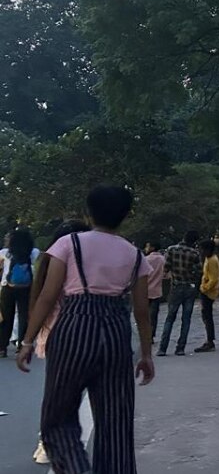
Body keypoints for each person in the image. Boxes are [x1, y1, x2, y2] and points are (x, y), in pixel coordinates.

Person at [17, 185, 155, 474]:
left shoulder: (69, 244)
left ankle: (75, 468)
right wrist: (146, 354)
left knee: (58, 417)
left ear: (88, 212)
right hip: (116, 330)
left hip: (75, 326)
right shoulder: (135, 254)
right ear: (125, 216)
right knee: (116, 423)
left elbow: (48, 295)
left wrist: (28, 341)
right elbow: (142, 312)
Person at [29, 220, 92, 468]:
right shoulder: (84, 265)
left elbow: (42, 301)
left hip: (56, 333)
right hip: (81, 333)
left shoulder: (48, 262)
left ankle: (49, 442)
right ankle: (50, 442)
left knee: (57, 392)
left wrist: (28, 338)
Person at [158, 231, 203, 357]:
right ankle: (180, 348)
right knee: (186, 319)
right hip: (189, 287)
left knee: (170, 318)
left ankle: (163, 348)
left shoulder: (172, 250)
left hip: (176, 286)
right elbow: (199, 270)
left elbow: (166, 268)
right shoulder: (194, 253)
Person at [0, 228, 38, 358]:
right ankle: (21, 346)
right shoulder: (34, 252)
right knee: (24, 317)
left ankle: (2, 347)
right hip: (26, 288)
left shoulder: (5, 252)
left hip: (7, 288)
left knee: (6, 317)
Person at [195, 240, 219, 353]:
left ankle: (210, 341)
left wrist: (204, 288)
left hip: (208, 292)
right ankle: (209, 340)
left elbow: (214, 279)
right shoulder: (209, 259)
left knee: (207, 316)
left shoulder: (212, 261)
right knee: (206, 316)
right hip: (207, 290)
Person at [143, 242, 166, 343]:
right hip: (157, 291)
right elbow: (167, 275)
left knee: (144, 315)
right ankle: (151, 336)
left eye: (147, 246)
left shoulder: (145, 260)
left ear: (152, 247)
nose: (146, 248)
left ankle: (145, 335)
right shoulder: (162, 259)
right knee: (154, 316)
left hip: (145, 291)